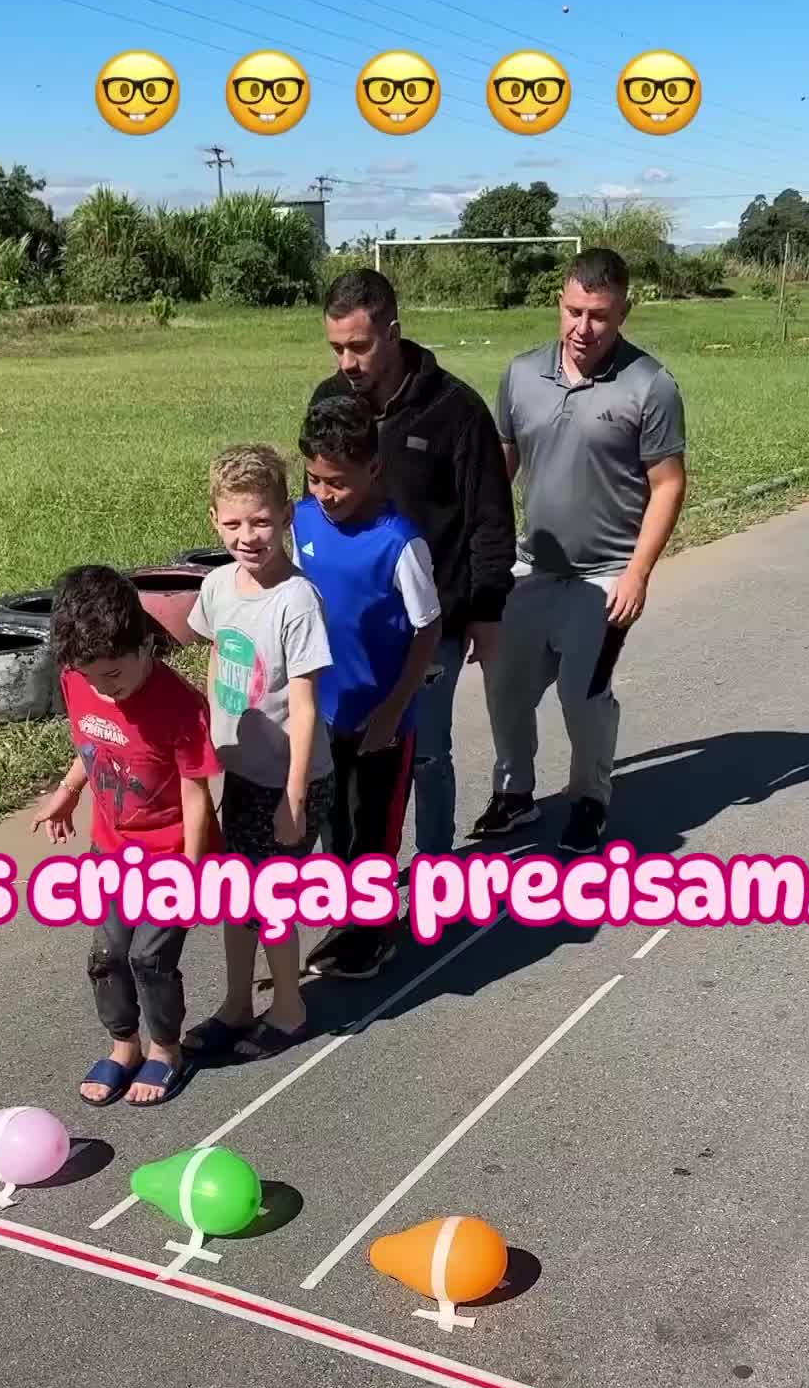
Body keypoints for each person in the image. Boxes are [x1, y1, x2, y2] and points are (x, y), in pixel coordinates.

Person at [474, 247, 687, 854]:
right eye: (572, 311)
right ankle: (514, 794)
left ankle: (589, 798)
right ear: (559, 302)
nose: (582, 328)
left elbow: (668, 483)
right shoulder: (520, 374)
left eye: (598, 315)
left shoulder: (651, 385)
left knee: (582, 693)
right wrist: (481, 560)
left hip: (606, 572)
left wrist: (639, 573)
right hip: (531, 567)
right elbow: (502, 465)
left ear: (623, 311)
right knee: (505, 684)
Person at [307, 268, 515, 855]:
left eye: (358, 346)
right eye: (336, 348)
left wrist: (486, 611)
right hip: (349, 624)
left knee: (424, 751)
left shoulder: (455, 410)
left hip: (433, 619)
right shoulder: (328, 402)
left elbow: (490, 518)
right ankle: (352, 871)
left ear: (393, 332)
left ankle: (434, 864)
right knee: (343, 747)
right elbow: (314, 494)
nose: (346, 362)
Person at [34, 564, 220, 1106]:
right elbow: (95, 747)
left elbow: (196, 795)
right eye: (90, 678)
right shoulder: (79, 678)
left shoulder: (181, 707)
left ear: (145, 644)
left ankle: (165, 1049)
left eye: (113, 676)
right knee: (106, 954)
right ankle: (124, 1046)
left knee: (148, 958)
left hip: (171, 856)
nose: (102, 689)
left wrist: (190, 872)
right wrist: (68, 790)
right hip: (111, 851)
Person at [186, 443, 335, 1059]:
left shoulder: (296, 601)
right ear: (215, 520)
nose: (247, 536)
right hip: (242, 773)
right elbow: (217, 656)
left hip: (291, 780)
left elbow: (303, 706)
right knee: (236, 895)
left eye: (261, 521)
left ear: (286, 517)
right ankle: (238, 1002)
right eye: (233, 523)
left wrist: (295, 796)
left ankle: (291, 1008)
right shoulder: (219, 586)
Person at [293, 393, 442, 979]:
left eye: (338, 482)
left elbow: (428, 631)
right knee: (335, 829)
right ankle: (350, 922)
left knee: (373, 837)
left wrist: (394, 708)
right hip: (323, 715)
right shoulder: (301, 519)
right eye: (314, 479)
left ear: (373, 468)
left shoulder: (399, 543)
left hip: (381, 720)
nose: (324, 494)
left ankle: (376, 934)